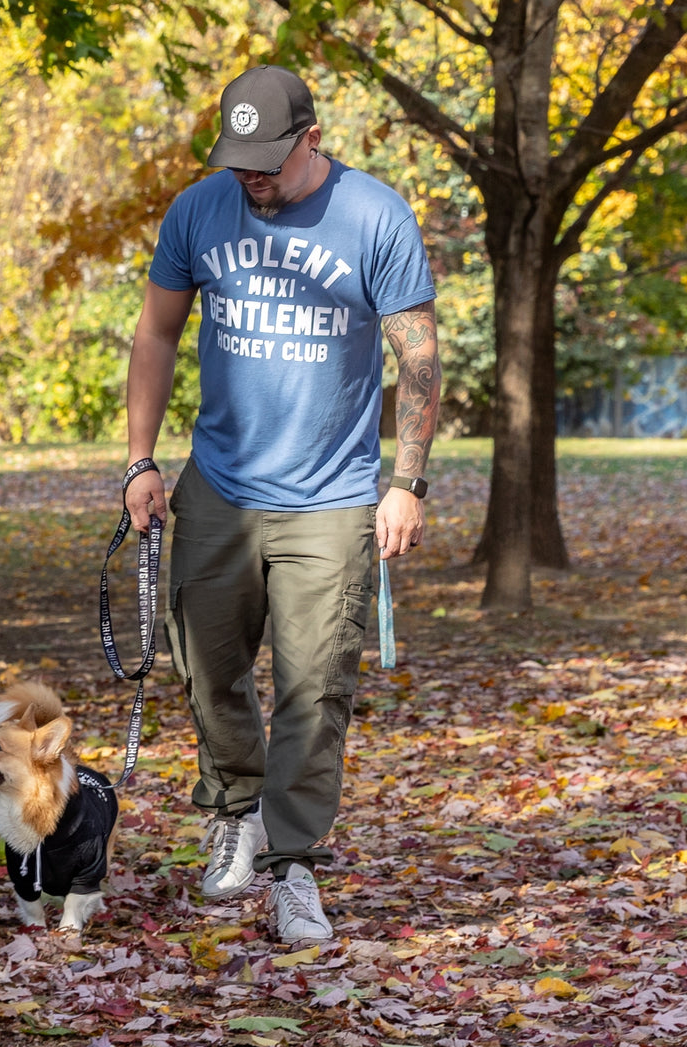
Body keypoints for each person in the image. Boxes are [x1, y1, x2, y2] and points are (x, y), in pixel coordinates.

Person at [122, 65, 441, 945]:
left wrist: (405, 483)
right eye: (239, 161)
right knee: (206, 669)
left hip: (332, 499)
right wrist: (140, 461)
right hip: (218, 485)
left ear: (312, 138)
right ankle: (235, 812)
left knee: (314, 690)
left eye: (268, 160)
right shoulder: (197, 211)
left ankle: (293, 866)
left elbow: (417, 358)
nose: (252, 177)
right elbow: (156, 332)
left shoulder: (375, 217)